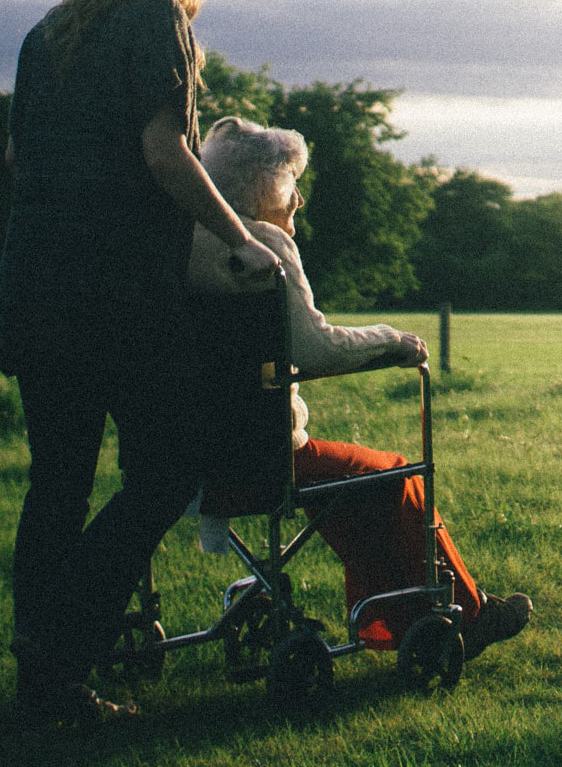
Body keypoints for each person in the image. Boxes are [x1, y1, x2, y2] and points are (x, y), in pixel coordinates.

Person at [0, 0, 280, 726]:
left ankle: (42, 681)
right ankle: (62, 646)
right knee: (167, 469)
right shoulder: (157, 20)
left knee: (58, 484)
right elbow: (165, 151)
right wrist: (239, 238)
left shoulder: (48, 31)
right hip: (112, 295)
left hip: (33, 284)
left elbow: (19, 154)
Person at [186, 116, 531, 659]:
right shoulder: (263, 246)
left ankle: (391, 623)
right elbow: (316, 348)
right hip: (262, 457)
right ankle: (466, 613)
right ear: (259, 187)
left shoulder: (188, 244)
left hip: (192, 458)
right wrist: (390, 340)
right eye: (290, 182)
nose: (298, 198)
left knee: (353, 484)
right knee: (394, 474)